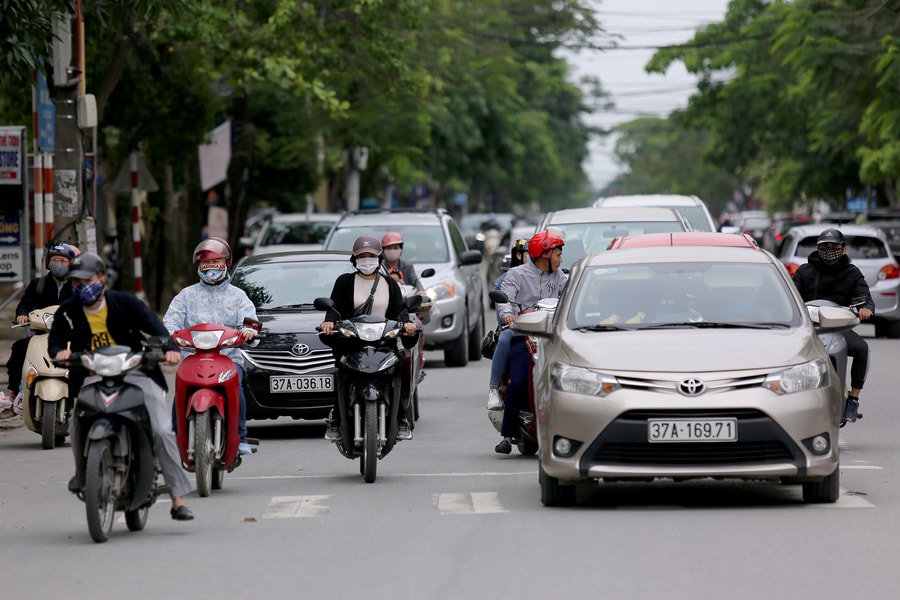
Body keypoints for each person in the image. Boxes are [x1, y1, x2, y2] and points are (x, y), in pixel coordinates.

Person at [48, 252, 195, 521]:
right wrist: (61, 354)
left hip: (138, 374)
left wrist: (170, 349)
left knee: (162, 430)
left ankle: (177, 499)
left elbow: (157, 330)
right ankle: (84, 475)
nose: (82, 287)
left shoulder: (125, 303)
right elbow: (55, 344)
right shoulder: (67, 312)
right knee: (74, 424)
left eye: (87, 280)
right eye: (76, 283)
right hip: (93, 377)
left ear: (102, 279)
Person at [163, 237, 258, 455]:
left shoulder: (238, 296)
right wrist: (168, 335)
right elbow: (171, 321)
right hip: (192, 358)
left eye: (216, 262)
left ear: (226, 263)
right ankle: (176, 434)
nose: (211, 267)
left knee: (237, 385)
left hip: (228, 358)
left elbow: (249, 320)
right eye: (205, 263)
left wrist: (249, 330)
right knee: (181, 390)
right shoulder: (186, 296)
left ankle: (241, 434)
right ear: (198, 266)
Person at [319, 235, 418, 441]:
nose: (367, 260)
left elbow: (400, 312)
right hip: (352, 341)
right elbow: (334, 310)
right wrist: (328, 323)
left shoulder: (390, 284)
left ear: (379, 258)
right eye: (362, 256)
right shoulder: (344, 282)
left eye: (371, 256)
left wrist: (407, 324)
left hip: (384, 341)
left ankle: (401, 418)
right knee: (342, 370)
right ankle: (336, 418)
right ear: (354, 259)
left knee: (397, 367)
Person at [494, 230, 567, 454]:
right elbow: (505, 300)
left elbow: (572, 298)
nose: (560, 259)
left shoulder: (561, 277)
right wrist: (508, 314)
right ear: (544, 255)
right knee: (518, 382)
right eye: (557, 254)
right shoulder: (516, 275)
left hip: (553, 337)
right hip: (523, 335)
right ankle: (507, 434)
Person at [792, 228, 874, 423]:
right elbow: (790, 296)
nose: (830, 251)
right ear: (818, 249)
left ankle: (853, 399)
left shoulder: (852, 273)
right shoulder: (804, 271)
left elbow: (865, 298)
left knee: (862, 349)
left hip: (839, 329)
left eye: (834, 247)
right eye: (825, 247)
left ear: (843, 250)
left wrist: (866, 308)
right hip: (809, 329)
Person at [0, 243, 78, 420]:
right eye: (54, 260)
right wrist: (21, 315)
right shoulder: (39, 285)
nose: (58, 263)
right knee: (20, 348)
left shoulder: (77, 285)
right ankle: (14, 396)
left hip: (70, 336)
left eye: (63, 261)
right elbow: (25, 304)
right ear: (48, 263)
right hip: (42, 335)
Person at [486, 238, 528, 410]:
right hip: (516, 327)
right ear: (518, 255)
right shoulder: (505, 279)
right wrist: (509, 316)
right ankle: (493, 389)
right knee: (504, 338)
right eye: (529, 255)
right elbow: (503, 307)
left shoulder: (550, 276)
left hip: (543, 328)